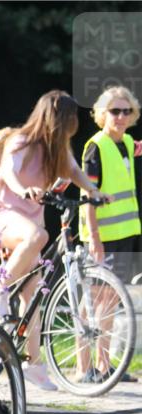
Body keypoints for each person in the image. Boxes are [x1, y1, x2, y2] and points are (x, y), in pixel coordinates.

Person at [0, 90, 107, 391]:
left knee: (34, 294)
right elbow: (8, 173)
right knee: (39, 236)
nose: (73, 125)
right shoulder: (21, 141)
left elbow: (76, 172)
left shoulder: (57, 149)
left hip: (30, 224)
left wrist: (94, 193)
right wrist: (23, 190)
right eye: (70, 119)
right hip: (4, 216)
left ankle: (33, 364)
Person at [78, 85, 141, 383]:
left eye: (126, 111)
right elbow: (88, 195)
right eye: (114, 111)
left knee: (112, 301)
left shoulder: (126, 142)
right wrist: (95, 239)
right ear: (102, 114)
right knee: (94, 302)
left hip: (127, 233)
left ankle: (105, 367)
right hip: (102, 235)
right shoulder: (96, 146)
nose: (120, 116)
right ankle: (85, 368)